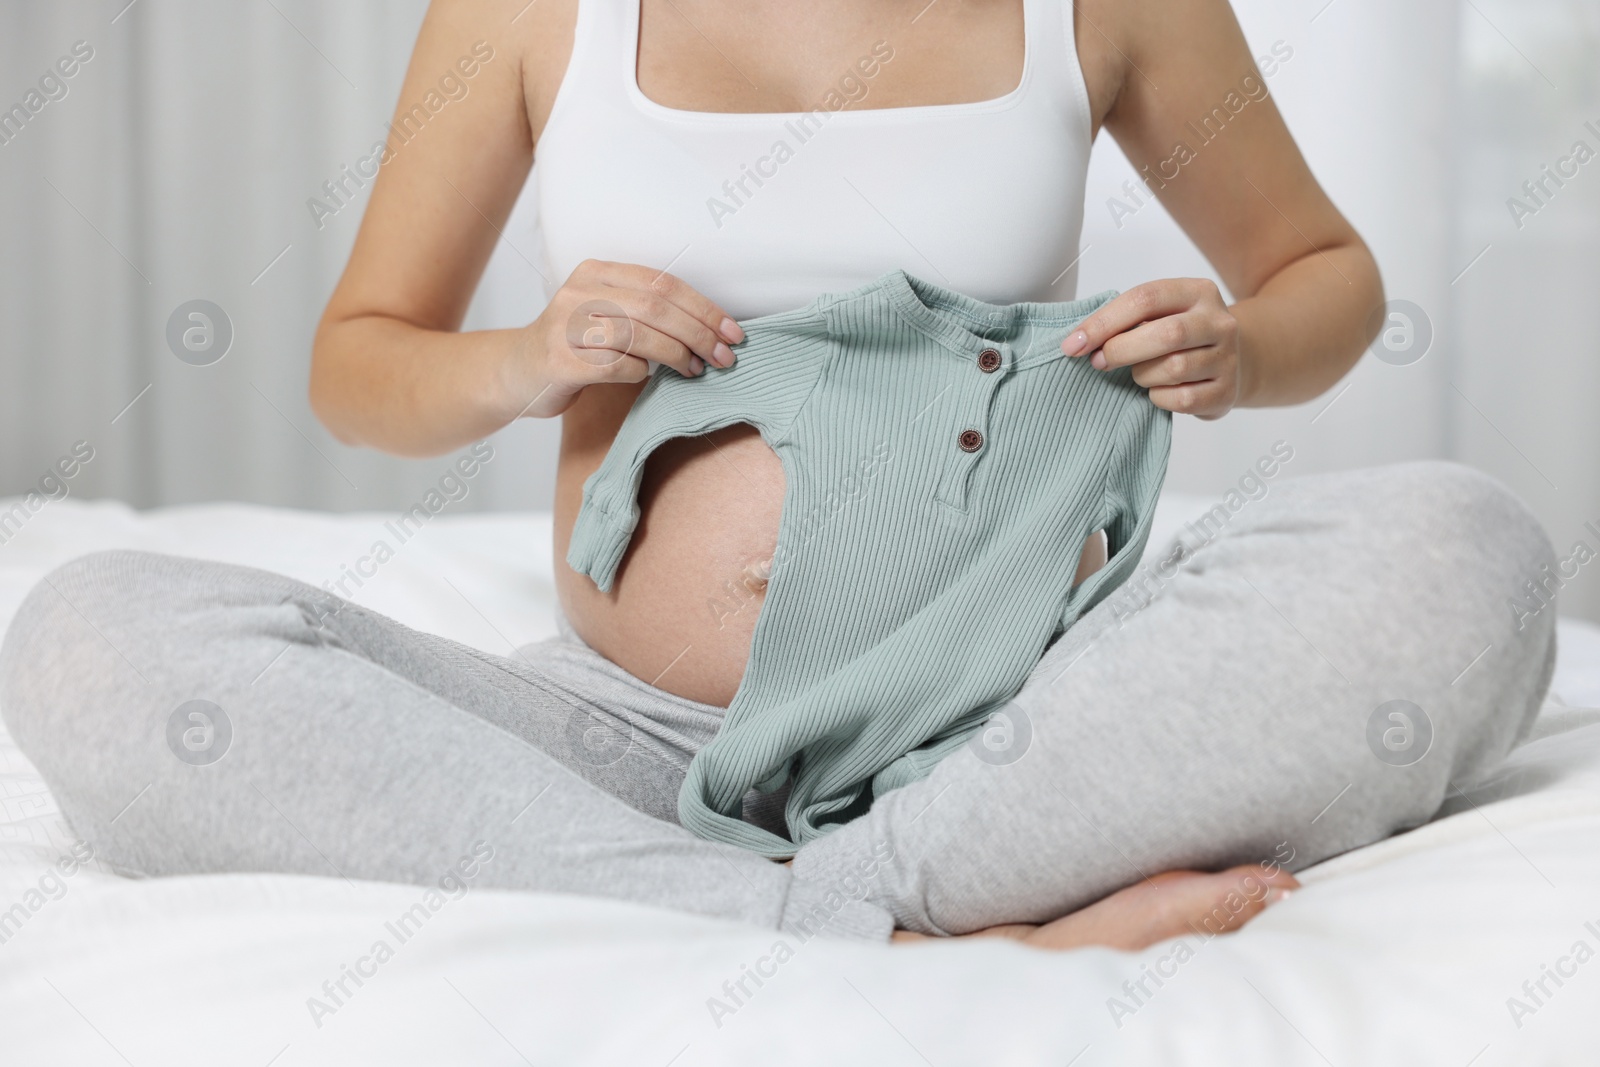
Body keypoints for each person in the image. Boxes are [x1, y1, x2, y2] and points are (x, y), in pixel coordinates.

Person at [0, 0, 1557, 950]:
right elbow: (360, 365)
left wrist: (1247, 347)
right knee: (92, 635)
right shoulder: (540, 8)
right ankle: (897, 918)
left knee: (1461, 548)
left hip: (1025, 729)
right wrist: (528, 355)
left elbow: (1321, 271)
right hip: (630, 747)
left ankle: (866, 891)